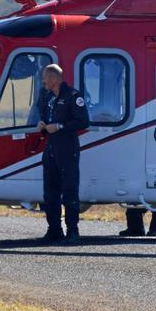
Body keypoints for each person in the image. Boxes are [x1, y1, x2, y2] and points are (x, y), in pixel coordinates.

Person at [36, 64, 90, 245]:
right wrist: (42, 125)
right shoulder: (45, 96)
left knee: (69, 191)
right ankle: (54, 229)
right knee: (50, 192)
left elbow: (83, 121)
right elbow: (43, 113)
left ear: (55, 79)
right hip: (51, 148)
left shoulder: (73, 96)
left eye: (46, 77)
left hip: (67, 148)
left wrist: (60, 126)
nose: (43, 81)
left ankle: (72, 232)